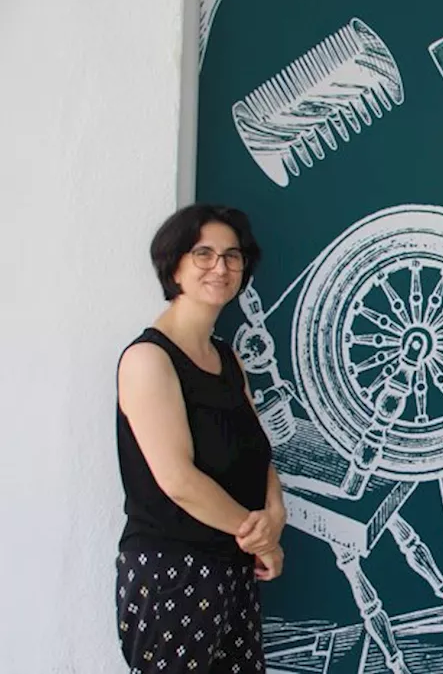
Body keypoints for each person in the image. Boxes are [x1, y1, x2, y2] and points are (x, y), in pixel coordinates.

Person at [114, 204, 286, 674]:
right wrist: (262, 541)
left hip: (232, 566)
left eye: (233, 256)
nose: (221, 267)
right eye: (204, 253)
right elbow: (178, 481)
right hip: (172, 569)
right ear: (174, 265)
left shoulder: (229, 360)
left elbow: (258, 450)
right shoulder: (149, 359)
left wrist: (276, 513)